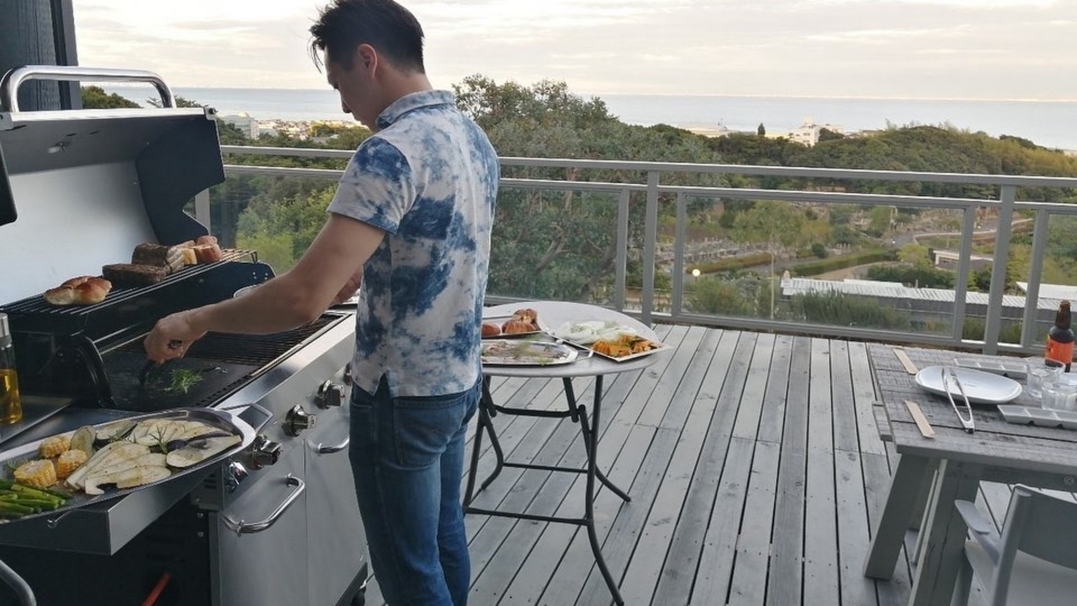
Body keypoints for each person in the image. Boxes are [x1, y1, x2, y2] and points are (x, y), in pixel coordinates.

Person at [144, 1, 499, 603]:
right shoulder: (470, 136)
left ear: (368, 59)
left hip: (400, 400)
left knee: (410, 573)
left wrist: (191, 319)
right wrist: (366, 270)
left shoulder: (388, 151)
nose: (342, 106)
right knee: (442, 544)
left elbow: (302, 301)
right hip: (458, 382)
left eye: (339, 84)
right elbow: (433, 248)